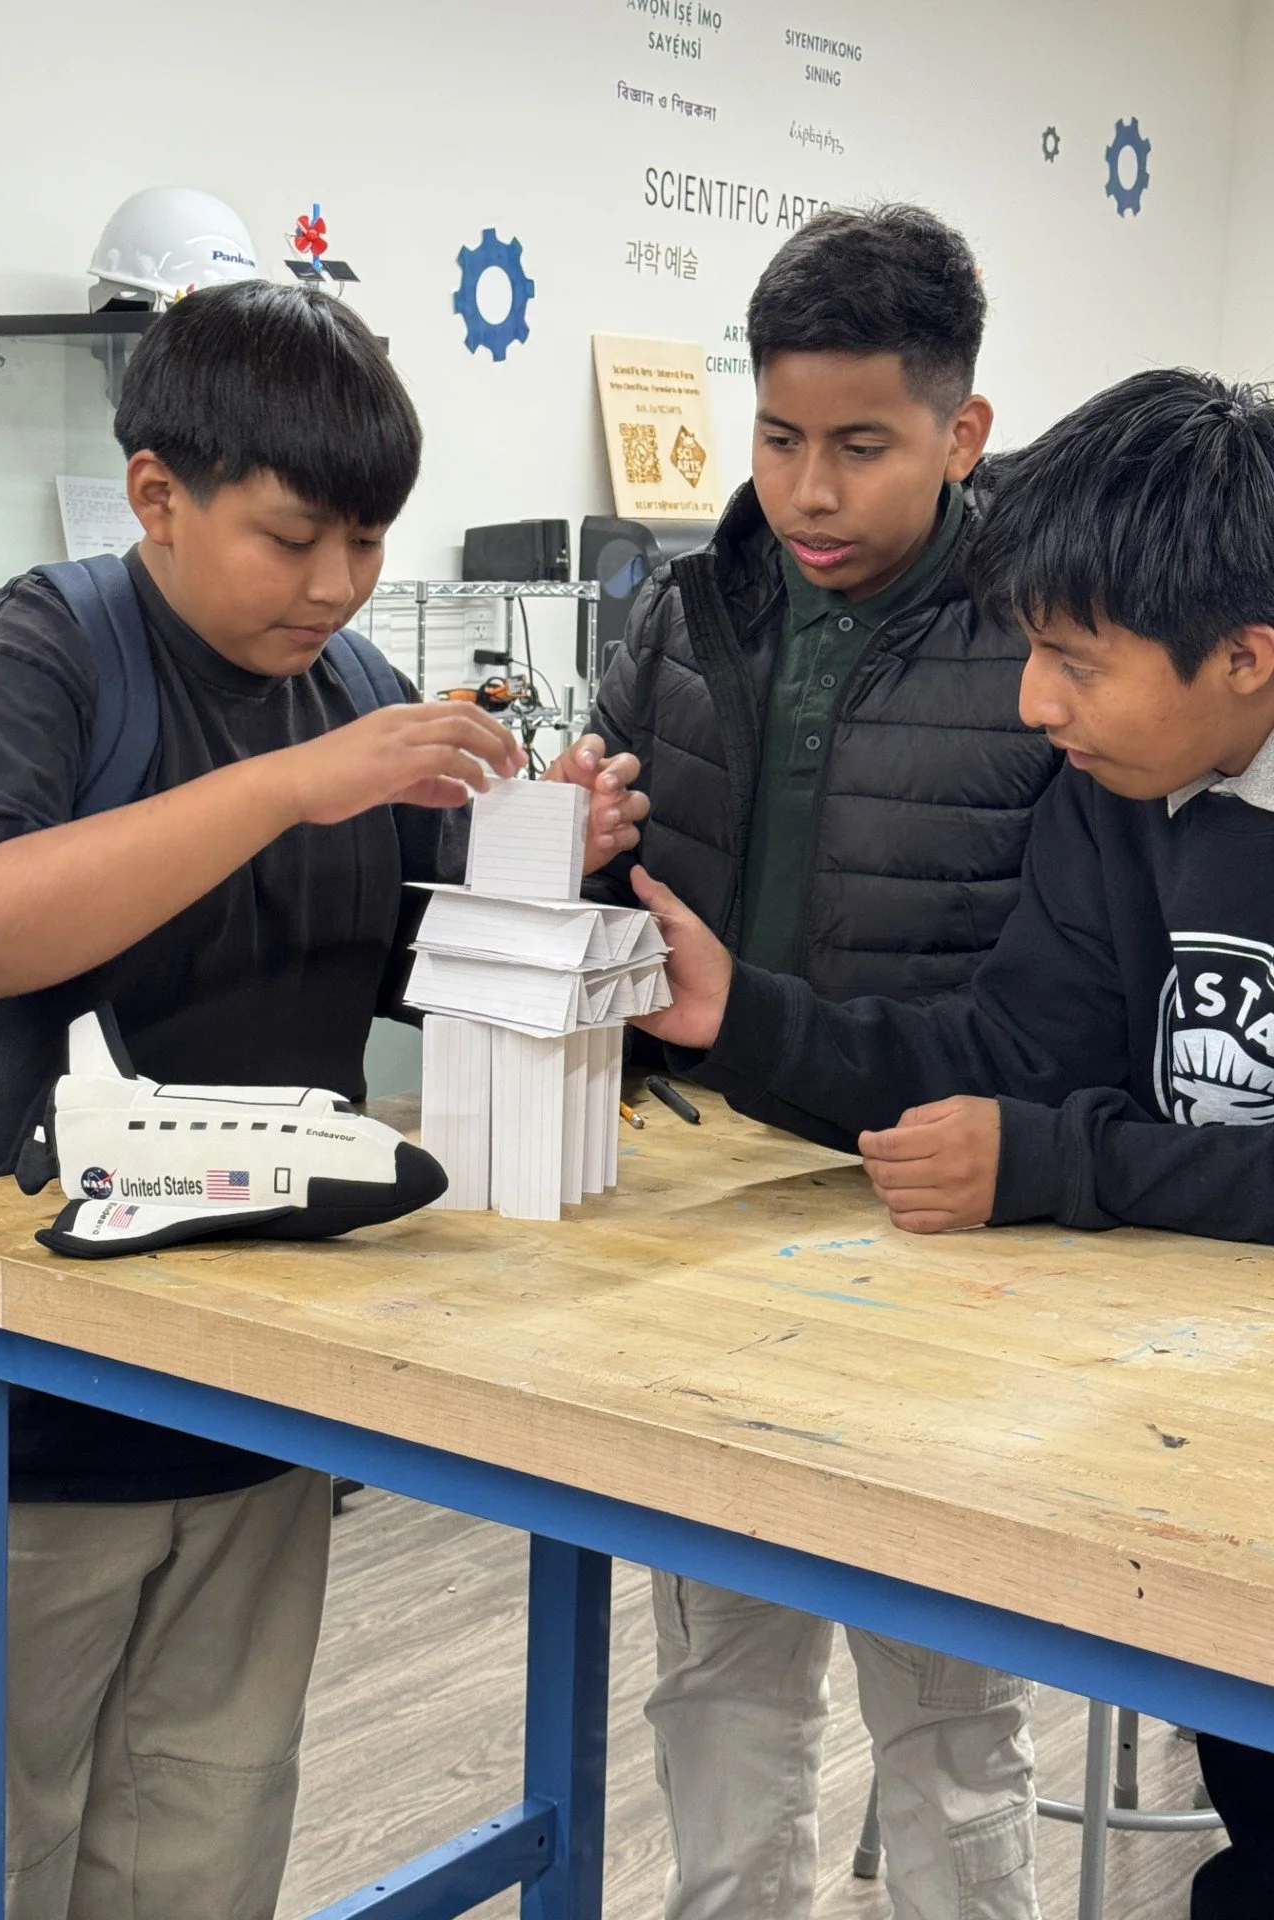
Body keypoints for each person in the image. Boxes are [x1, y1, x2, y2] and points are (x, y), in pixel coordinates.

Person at [0, 281, 639, 1920]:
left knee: (202, 1836)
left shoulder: (348, 687)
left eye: (368, 540)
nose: (340, 586)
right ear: (157, 496)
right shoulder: (38, 653)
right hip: (7, 1411)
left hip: (248, 1405)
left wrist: (541, 847)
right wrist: (287, 785)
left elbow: (416, 957)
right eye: (295, 539)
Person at [626, 366, 1274, 1920]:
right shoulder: (1124, 791)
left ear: (1247, 657)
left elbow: (1048, 1127)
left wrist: (1064, 1163)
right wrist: (744, 1020)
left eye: (1072, 662)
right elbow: (1007, 1055)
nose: (1034, 704)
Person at [549, 205, 1058, 1920]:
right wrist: (578, 833)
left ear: (960, 431)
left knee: (950, 1713)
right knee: (718, 1678)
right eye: (779, 440)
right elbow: (612, 877)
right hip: (702, 1213)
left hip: (944, 1220)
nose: (810, 491)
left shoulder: (1043, 651)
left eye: (860, 446)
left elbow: (1057, 988)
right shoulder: (687, 610)